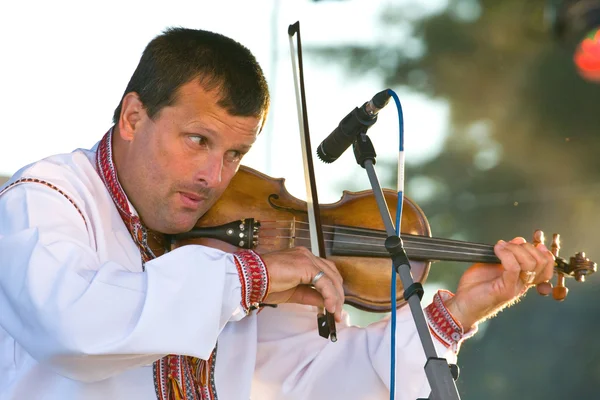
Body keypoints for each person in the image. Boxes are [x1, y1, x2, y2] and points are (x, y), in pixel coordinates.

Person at [0, 27, 554, 400]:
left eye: (235, 154)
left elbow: (319, 382)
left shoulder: (235, 252)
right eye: (197, 140)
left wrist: (458, 313)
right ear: (132, 117)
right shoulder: (46, 197)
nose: (214, 177)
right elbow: (72, 324)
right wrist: (252, 278)